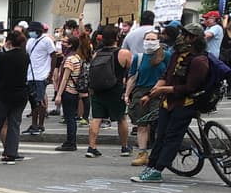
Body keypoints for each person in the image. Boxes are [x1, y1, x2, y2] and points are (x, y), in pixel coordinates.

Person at [131, 23, 210, 183]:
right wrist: (151, 94)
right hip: (168, 103)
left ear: (194, 39)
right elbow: (166, 76)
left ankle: (157, 170)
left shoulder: (199, 61)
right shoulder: (176, 55)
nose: (181, 38)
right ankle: (151, 165)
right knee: (160, 136)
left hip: (185, 104)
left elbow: (189, 88)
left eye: (186, 35)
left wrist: (163, 90)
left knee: (172, 138)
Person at [0, 29, 30, 163]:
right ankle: (10, 153)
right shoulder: (25, 56)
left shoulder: (3, 56)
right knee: (14, 124)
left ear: (8, 42)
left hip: (3, 93)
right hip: (20, 94)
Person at [84, 25, 132, 158]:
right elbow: (132, 71)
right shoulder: (123, 53)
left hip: (98, 90)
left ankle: (92, 147)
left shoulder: (97, 54)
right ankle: (124, 147)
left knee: (96, 119)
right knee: (121, 118)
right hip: (116, 90)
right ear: (117, 38)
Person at [124, 30, 169, 167]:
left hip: (159, 92)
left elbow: (170, 74)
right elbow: (132, 77)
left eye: (152, 39)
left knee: (158, 122)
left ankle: (159, 153)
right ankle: (142, 153)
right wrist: (127, 94)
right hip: (140, 92)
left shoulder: (166, 55)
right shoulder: (139, 58)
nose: (150, 42)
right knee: (141, 124)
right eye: (147, 39)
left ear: (158, 41)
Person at [23, 22, 59, 136]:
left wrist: (50, 74)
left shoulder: (46, 40)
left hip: (41, 75)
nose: (31, 33)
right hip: (31, 75)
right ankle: (34, 124)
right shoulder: (30, 41)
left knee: (40, 101)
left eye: (32, 31)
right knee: (33, 102)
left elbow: (53, 56)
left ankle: (40, 125)